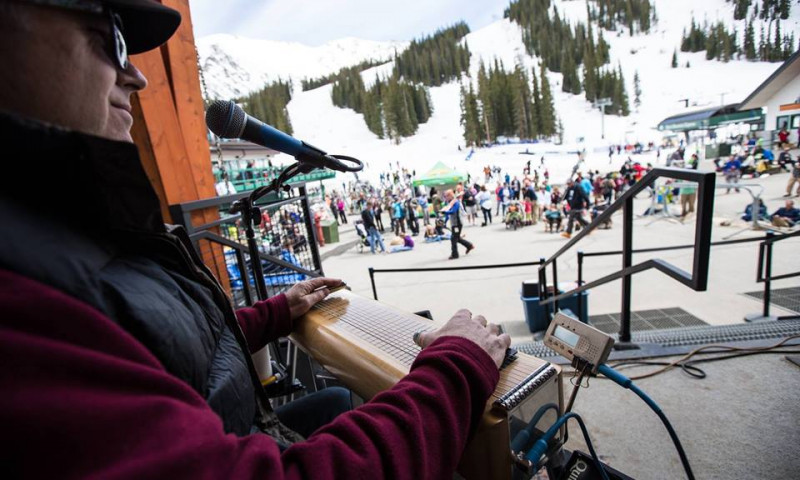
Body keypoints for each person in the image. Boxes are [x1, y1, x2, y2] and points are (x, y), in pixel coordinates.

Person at [0, 1, 511, 478]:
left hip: (245, 427)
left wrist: (272, 314)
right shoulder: (22, 303)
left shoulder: (56, 230)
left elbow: (161, 350)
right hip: (248, 438)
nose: (136, 74)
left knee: (336, 403)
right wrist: (455, 369)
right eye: (110, 39)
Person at [443, 189, 474, 259]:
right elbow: (448, 213)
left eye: (446, 196)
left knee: (453, 239)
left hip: (458, 223)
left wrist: (445, 212)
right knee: (457, 238)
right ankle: (469, 245)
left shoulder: (456, 202)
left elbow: (453, 211)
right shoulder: (450, 202)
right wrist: (445, 221)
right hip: (454, 223)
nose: (446, 198)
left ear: (450, 195)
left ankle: (455, 254)